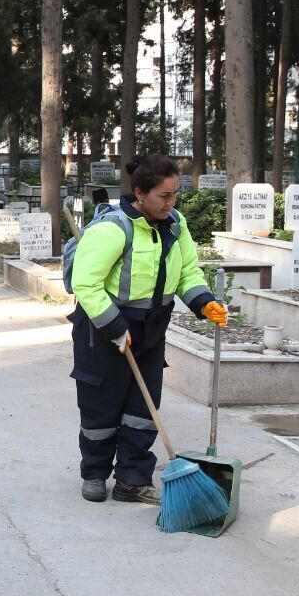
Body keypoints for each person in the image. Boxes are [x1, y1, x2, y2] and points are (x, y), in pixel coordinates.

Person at [68, 154, 228, 504]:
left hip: (152, 329)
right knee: (101, 407)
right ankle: (95, 473)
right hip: (103, 328)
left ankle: (132, 480)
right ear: (140, 193)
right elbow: (86, 284)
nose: (171, 204)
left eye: (174, 195)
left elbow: (188, 272)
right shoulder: (113, 228)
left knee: (143, 409)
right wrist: (115, 327)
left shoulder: (175, 225)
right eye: (164, 196)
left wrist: (203, 302)